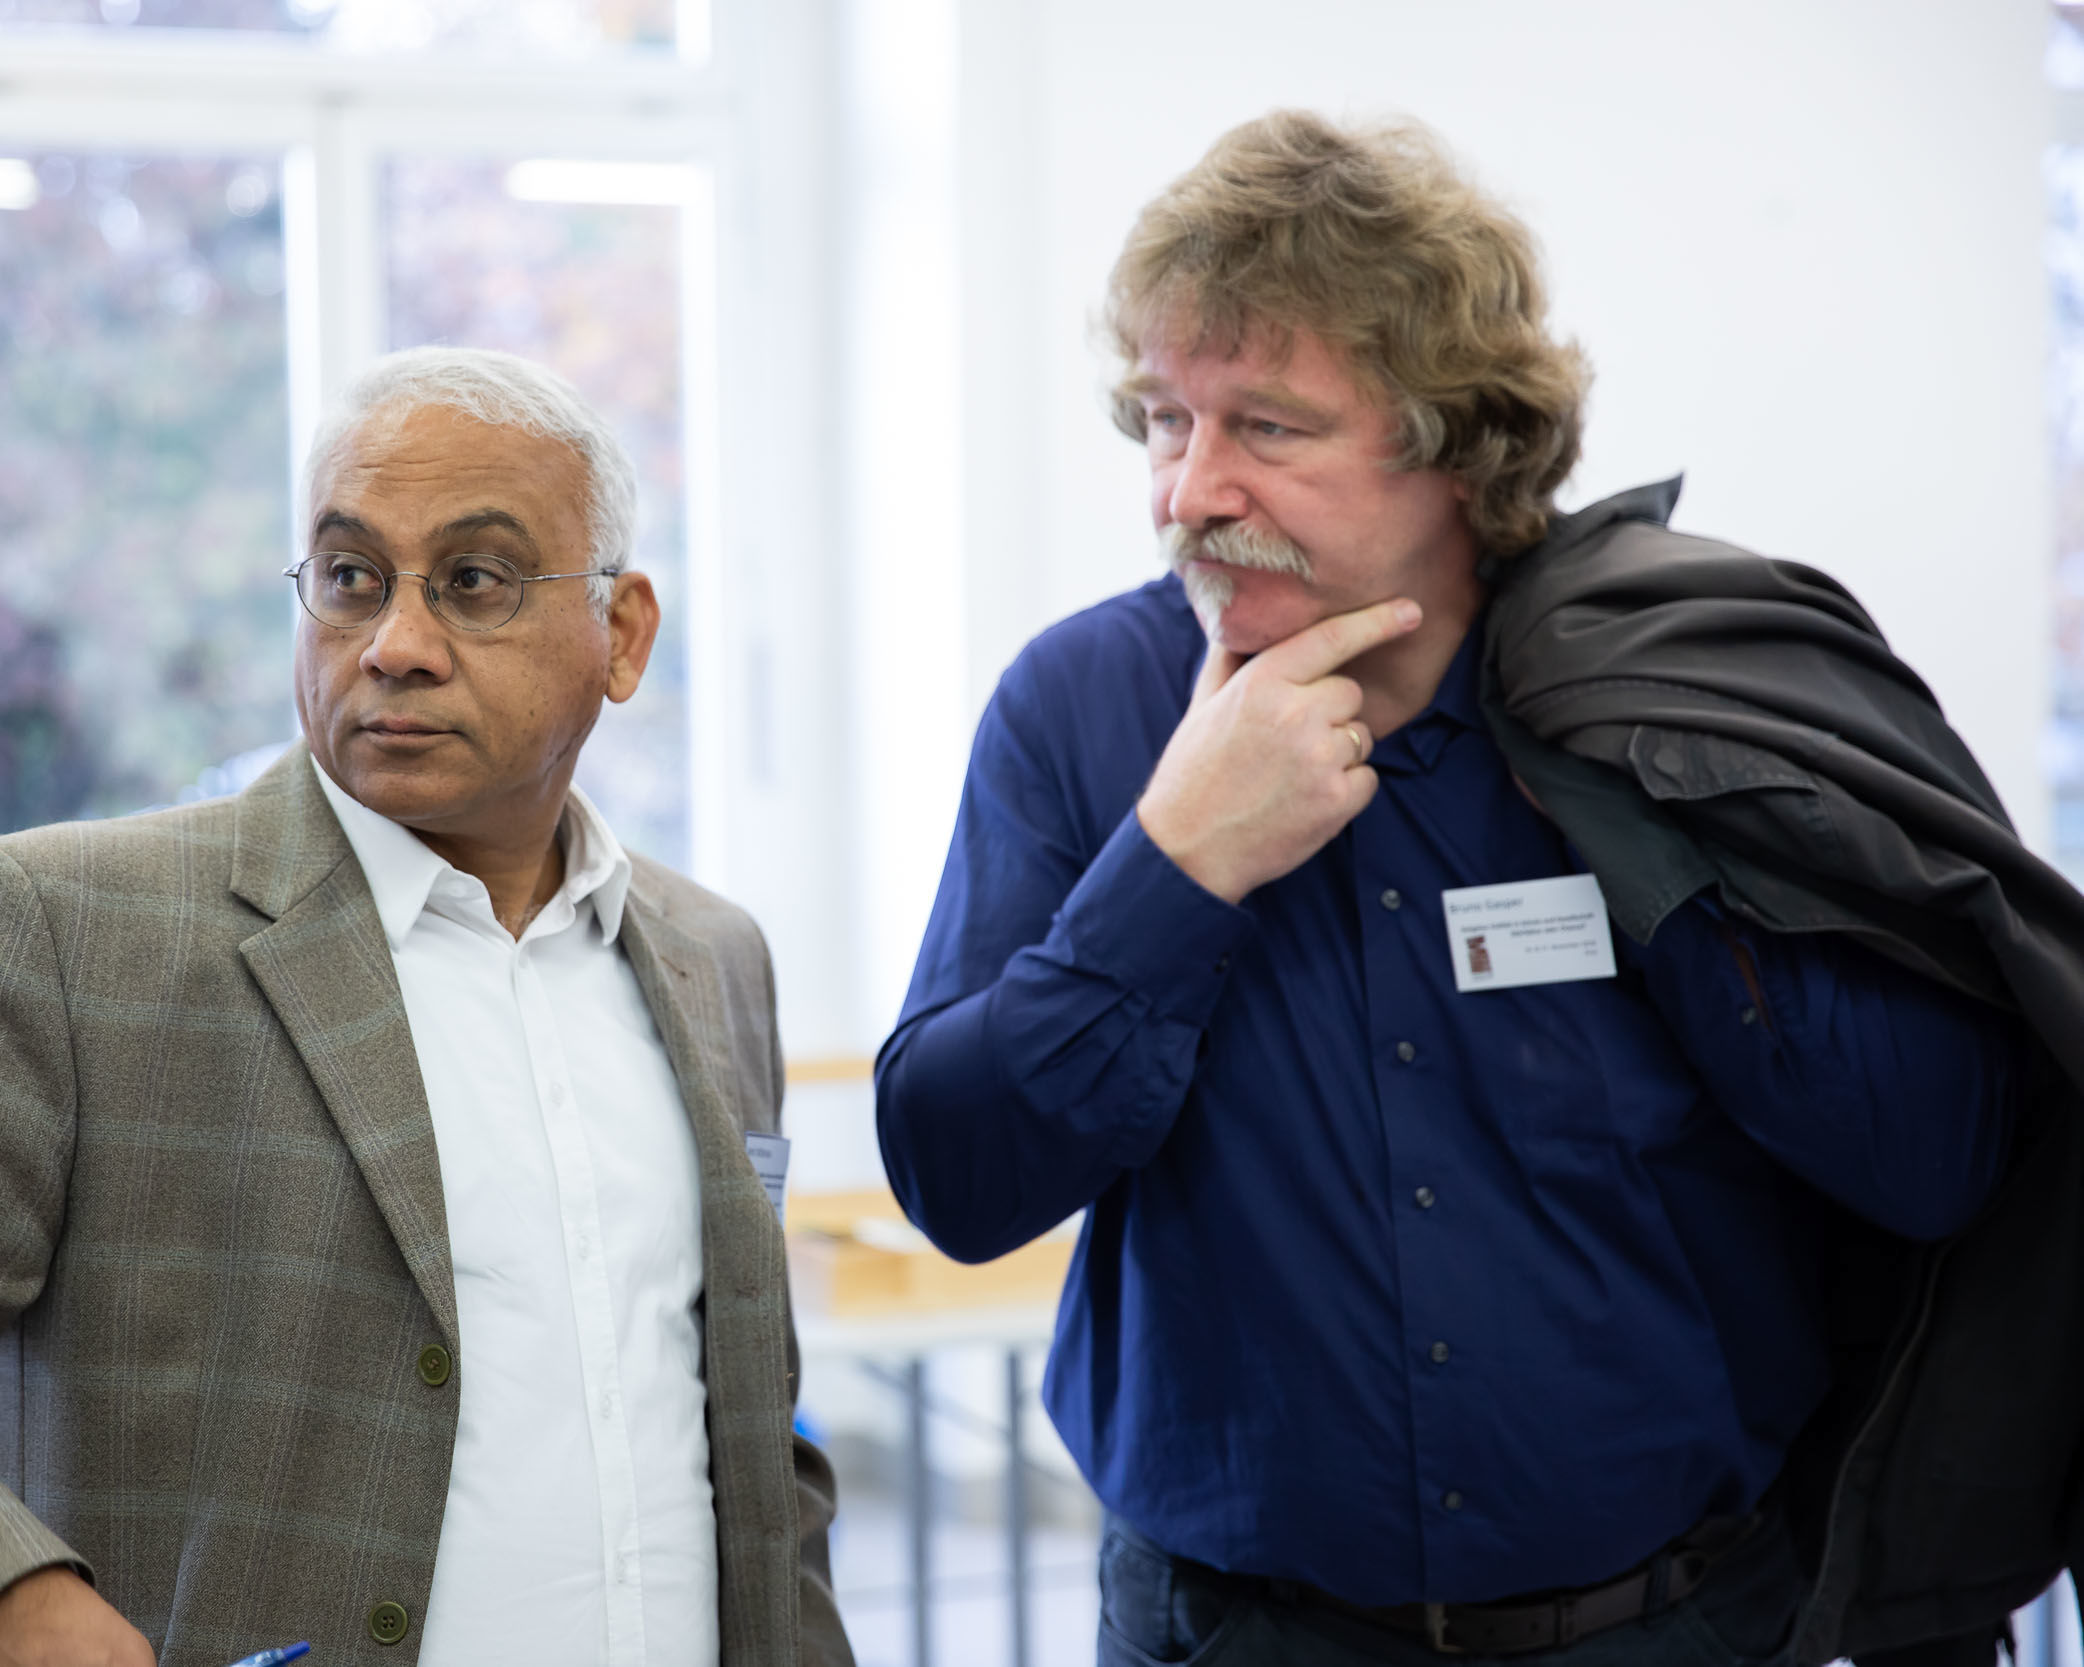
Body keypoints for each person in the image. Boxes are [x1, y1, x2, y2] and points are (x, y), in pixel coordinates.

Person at [873, 111, 2072, 1667]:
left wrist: (1662, 850)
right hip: (1235, 1634)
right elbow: (961, 1183)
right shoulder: (1082, 709)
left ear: (1457, 443)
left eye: (1270, 429)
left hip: (1675, 1626)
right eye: (1166, 422)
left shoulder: (1671, 699)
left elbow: (1933, 1167)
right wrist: (1175, 866)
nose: (1189, 493)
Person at [0, 347, 853, 1667]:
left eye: (474, 581)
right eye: (350, 578)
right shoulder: (71, 932)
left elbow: (752, 1446)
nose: (395, 647)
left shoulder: (710, 959)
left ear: (620, 635)